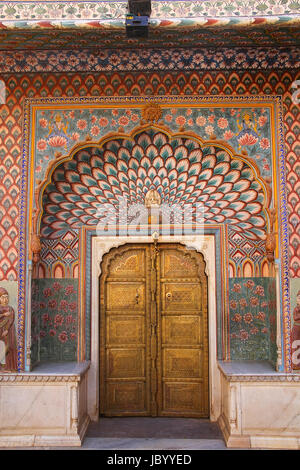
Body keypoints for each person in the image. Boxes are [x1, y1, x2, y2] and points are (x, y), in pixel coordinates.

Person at [0, 287, 17, 371]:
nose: (5, 299)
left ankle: (6, 366)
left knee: (8, 346)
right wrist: (3, 315)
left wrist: (7, 329)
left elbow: (11, 319)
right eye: (3, 297)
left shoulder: (10, 308)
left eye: (7, 297)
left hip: (8, 331)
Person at [291, 289, 300, 370]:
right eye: (299, 298)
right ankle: (295, 365)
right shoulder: (296, 309)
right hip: (297, 329)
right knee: (296, 345)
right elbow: (295, 317)